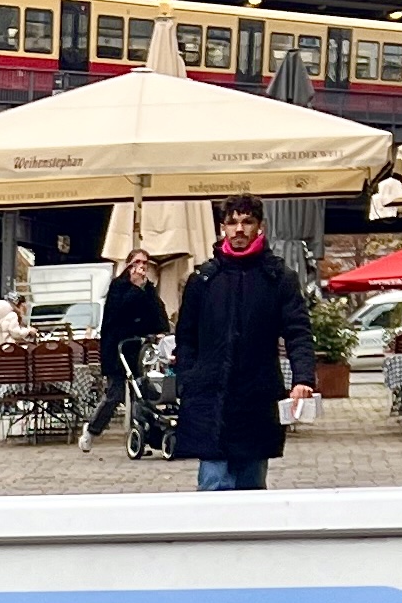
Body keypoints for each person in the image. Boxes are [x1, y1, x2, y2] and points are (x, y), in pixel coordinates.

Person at [170, 197, 315, 491]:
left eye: (247, 222)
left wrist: (302, 379)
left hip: (257, 399)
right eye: (233, 222)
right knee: (212, 484)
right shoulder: (203, 280)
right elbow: (186, 337)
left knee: (252, 490)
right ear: (223, 227)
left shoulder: (279, 278)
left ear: (260, 227)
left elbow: (298, 333)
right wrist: (188, 378)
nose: (239, 229)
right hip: (211, 400)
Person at [84, 250, 168, 443]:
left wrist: (161, 330)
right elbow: (118, 312)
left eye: (145, 262)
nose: (141, 266)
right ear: (129, 265)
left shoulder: (148, 289)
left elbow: (157, 312)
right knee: (115, 394)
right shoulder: (118, 286)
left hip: (138, 348)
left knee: (142, 393)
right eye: (137, 262)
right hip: (117, 348)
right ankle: (92, 430)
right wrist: (136, 288)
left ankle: (143, 434)